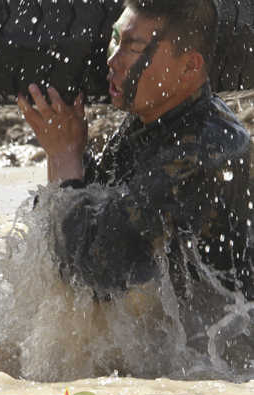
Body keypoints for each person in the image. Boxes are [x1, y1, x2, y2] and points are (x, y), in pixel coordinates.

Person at [17, 0, 253, 361]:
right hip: (187, 346)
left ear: (189, 66)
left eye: (133, 47)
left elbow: (94, 270)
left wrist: (64, 156)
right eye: (115, 40)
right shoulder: (155, 123)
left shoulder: (204, 149)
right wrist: (65, 150)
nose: (112, 59)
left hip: (224, 363)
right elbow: (86, 215)